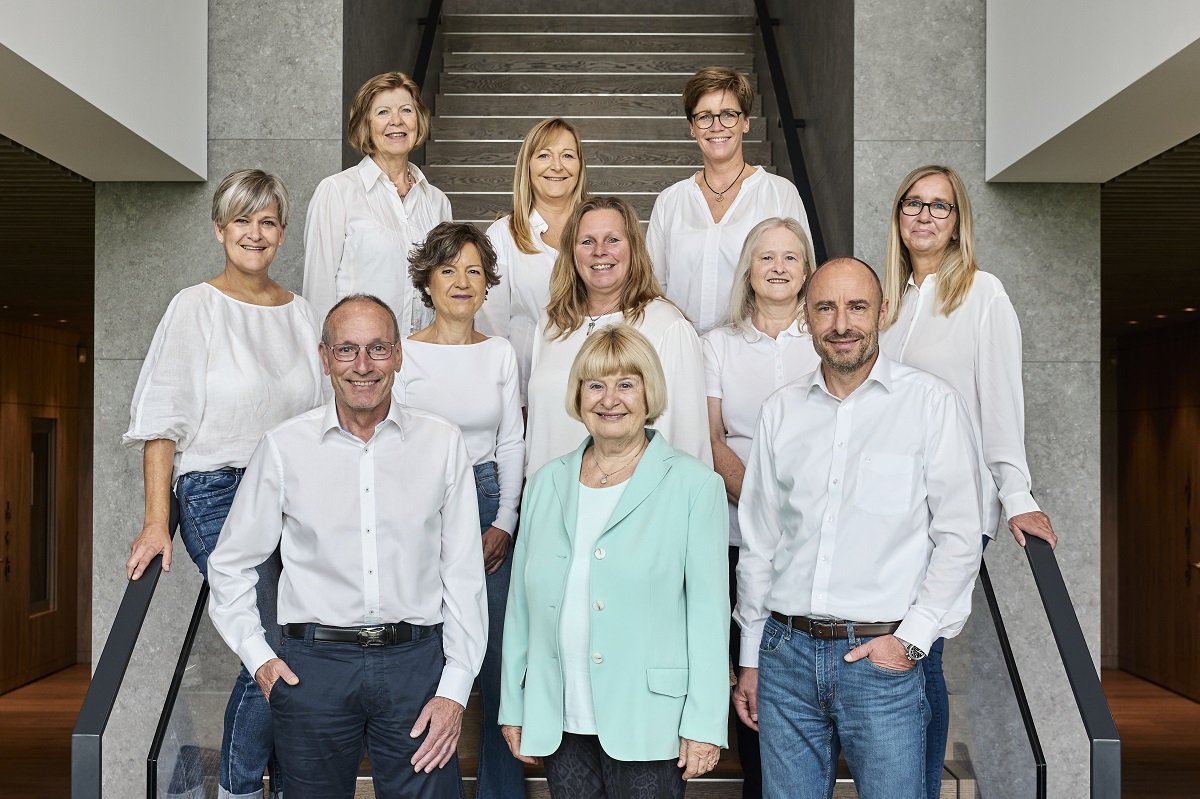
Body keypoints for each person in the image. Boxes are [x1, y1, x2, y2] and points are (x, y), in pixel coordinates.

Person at [206, 295, 488, 799]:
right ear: (324, 356)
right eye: (347, 350)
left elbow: (464, 575)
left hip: (415, 667)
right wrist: (260, 659)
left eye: (378, 349)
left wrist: (455, 690)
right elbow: (229, 566)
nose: (363, 366)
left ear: (399, 355)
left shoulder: (442, 444)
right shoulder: (283, 448)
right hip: (312, 671)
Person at [733, 258, 985, 799]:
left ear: (883, 313)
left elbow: (961, 538)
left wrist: (911, 641)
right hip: (785, 658)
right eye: (825, 308)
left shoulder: (931, 404)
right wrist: (752, 657)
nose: (841, 323)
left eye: (856, 307)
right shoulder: (780, 412)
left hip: (881, 661)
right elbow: (760, 543)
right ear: (806, 316)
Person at [124, 169, 324, 799]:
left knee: (300, 636)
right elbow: (163, 423)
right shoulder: (195, 306)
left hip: (297, 493)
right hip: (218, 491)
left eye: (267, 221)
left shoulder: (302, 313)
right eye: (242, 220)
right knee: (264, 636)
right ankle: (239, 790)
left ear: (282, 232)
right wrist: (159, 521)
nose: (255, 233)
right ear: (220, 229)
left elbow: (322, 417)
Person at [879, 164, 1058, 799]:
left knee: (916, 652)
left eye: (941, 207)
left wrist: (1017, 495)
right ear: (898, 216)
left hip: (952, 510)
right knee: (895, 651)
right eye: (914, 204)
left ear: (958, 225)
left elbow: (1000, 404)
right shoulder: (884, 302)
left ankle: (918, 788)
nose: (925, 216)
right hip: (885, 511)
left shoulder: (983, 294)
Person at [499, 325, 729, 799]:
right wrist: (514, 706)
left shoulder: (692, 485)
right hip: (561, 717)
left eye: (627, 383)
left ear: (649, 393)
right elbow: (521, 608)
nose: (610, 399)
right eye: (596, 384)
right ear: (578, 395)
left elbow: (708, 616)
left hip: (650, 722)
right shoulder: (545, 484)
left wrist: (705, 721)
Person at [398, 223, 525, 799]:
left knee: (498, 659)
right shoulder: (402, 353)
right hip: (422, 506)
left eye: (474, 270)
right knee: (429, 656)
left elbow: (511, 444)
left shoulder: (499, 352)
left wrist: (504, 523)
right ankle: (434, 786)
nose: (462, 281)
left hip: (487, 501)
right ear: (427, 278)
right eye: (448, 269)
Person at [701, 216, 817, 799]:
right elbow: (711, 437)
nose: (778, 266)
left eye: (791, 257)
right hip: (731, 530)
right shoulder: (717, 343)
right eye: (766, 256)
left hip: (812, 539)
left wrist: (793, 514)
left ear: (806, 270)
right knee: (745, 673)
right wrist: (760, 503)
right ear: (748, 266)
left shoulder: (826, 340)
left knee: (792, 671)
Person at [524, 196, 711, 475]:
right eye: (587, 241)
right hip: (550, 505)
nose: (600, 251)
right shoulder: (551, 325)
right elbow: (536, 434)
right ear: (571, 253)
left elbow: (690, 443)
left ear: (634, 248)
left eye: (612, 240)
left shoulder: (668, 325)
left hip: (634, 508)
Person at [647, 66, 812, 335]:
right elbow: (654, 289)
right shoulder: (670, 201)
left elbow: (803, 280)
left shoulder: (780, 194)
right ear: (692, 127)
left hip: (754, 354)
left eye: (728, 115)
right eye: (704, 117)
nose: (716, 127)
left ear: (746, 122)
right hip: (683, 352)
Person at [303, 71, 452, 336]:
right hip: (360, 360)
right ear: (366, 125)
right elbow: (318, 290)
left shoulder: (438, 202)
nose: (397, 121)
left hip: (424, 355)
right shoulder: (337, 191)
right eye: (383, 112)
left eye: (406, 110)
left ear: (418, 120)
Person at [478, 118, 589, 404]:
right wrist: (512, 402)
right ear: (527, 166)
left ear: (580, 166)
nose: (557, 166)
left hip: (594, 387)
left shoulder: (599, 229)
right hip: (525, 394)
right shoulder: (503, 235)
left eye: (567, 155)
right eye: (544, 155)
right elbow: (492, 332)